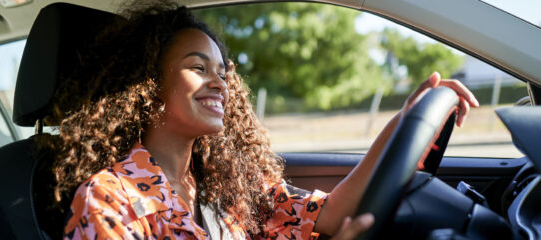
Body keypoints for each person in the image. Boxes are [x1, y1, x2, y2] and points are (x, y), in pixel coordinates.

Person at [51, 1, 479, 239]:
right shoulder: (109, 199)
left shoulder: (230, 189)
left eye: (223, 71)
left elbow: (331, 214)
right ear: (146, 85)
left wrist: (403, 122)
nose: (220, 83)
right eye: (198, 68)